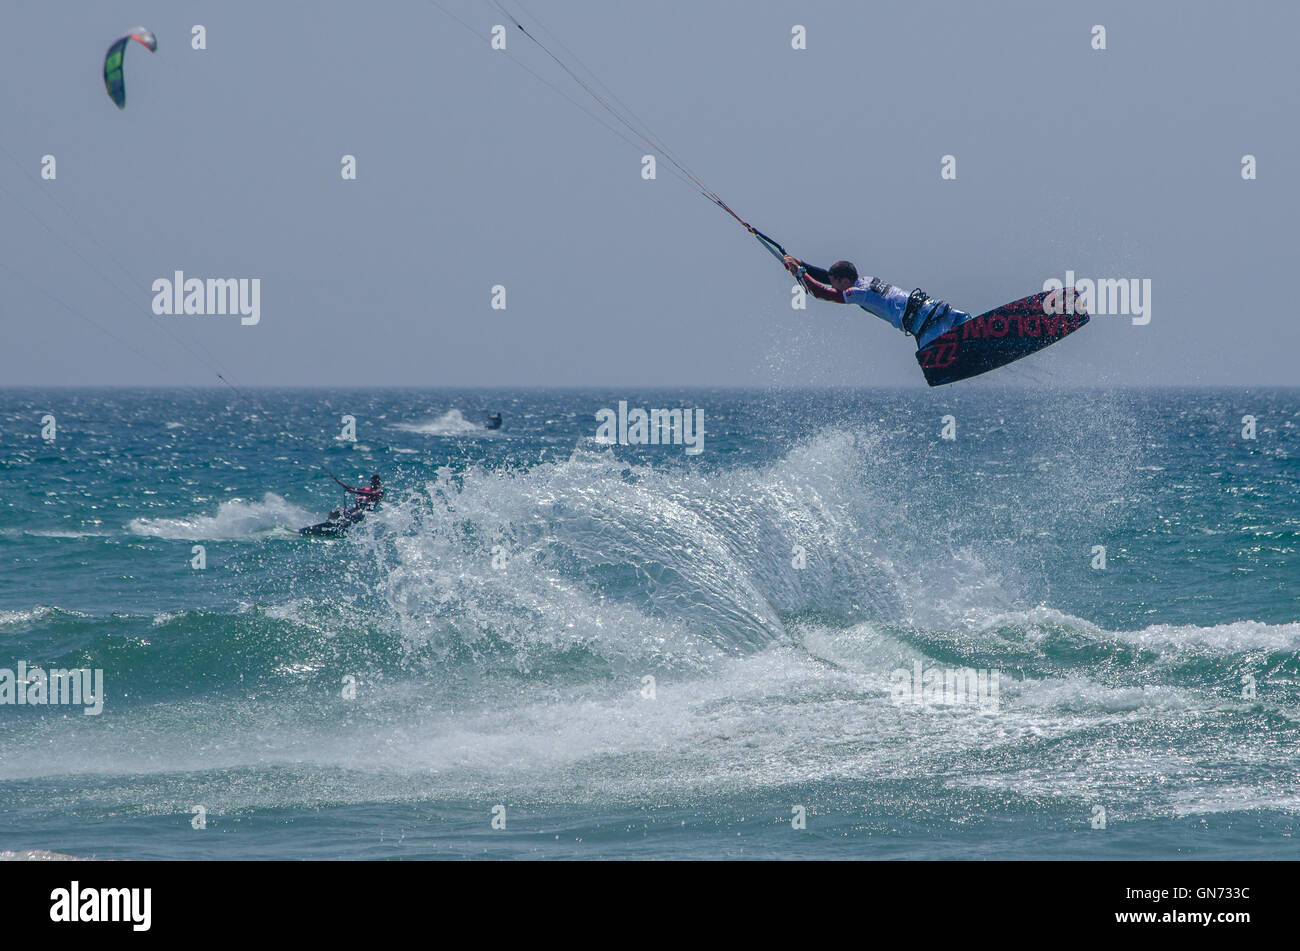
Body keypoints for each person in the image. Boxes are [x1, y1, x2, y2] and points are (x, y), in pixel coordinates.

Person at [782, 255, 970, 349]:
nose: (834, 286)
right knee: (970, 326)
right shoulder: (866, 280)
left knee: (937, 364)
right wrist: (801, 264)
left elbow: (822, 293)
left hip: (924, 325)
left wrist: (799, 273)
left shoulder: (858, 292)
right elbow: (827, 277)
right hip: (932, 307)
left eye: (836, 284)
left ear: (845, 281)